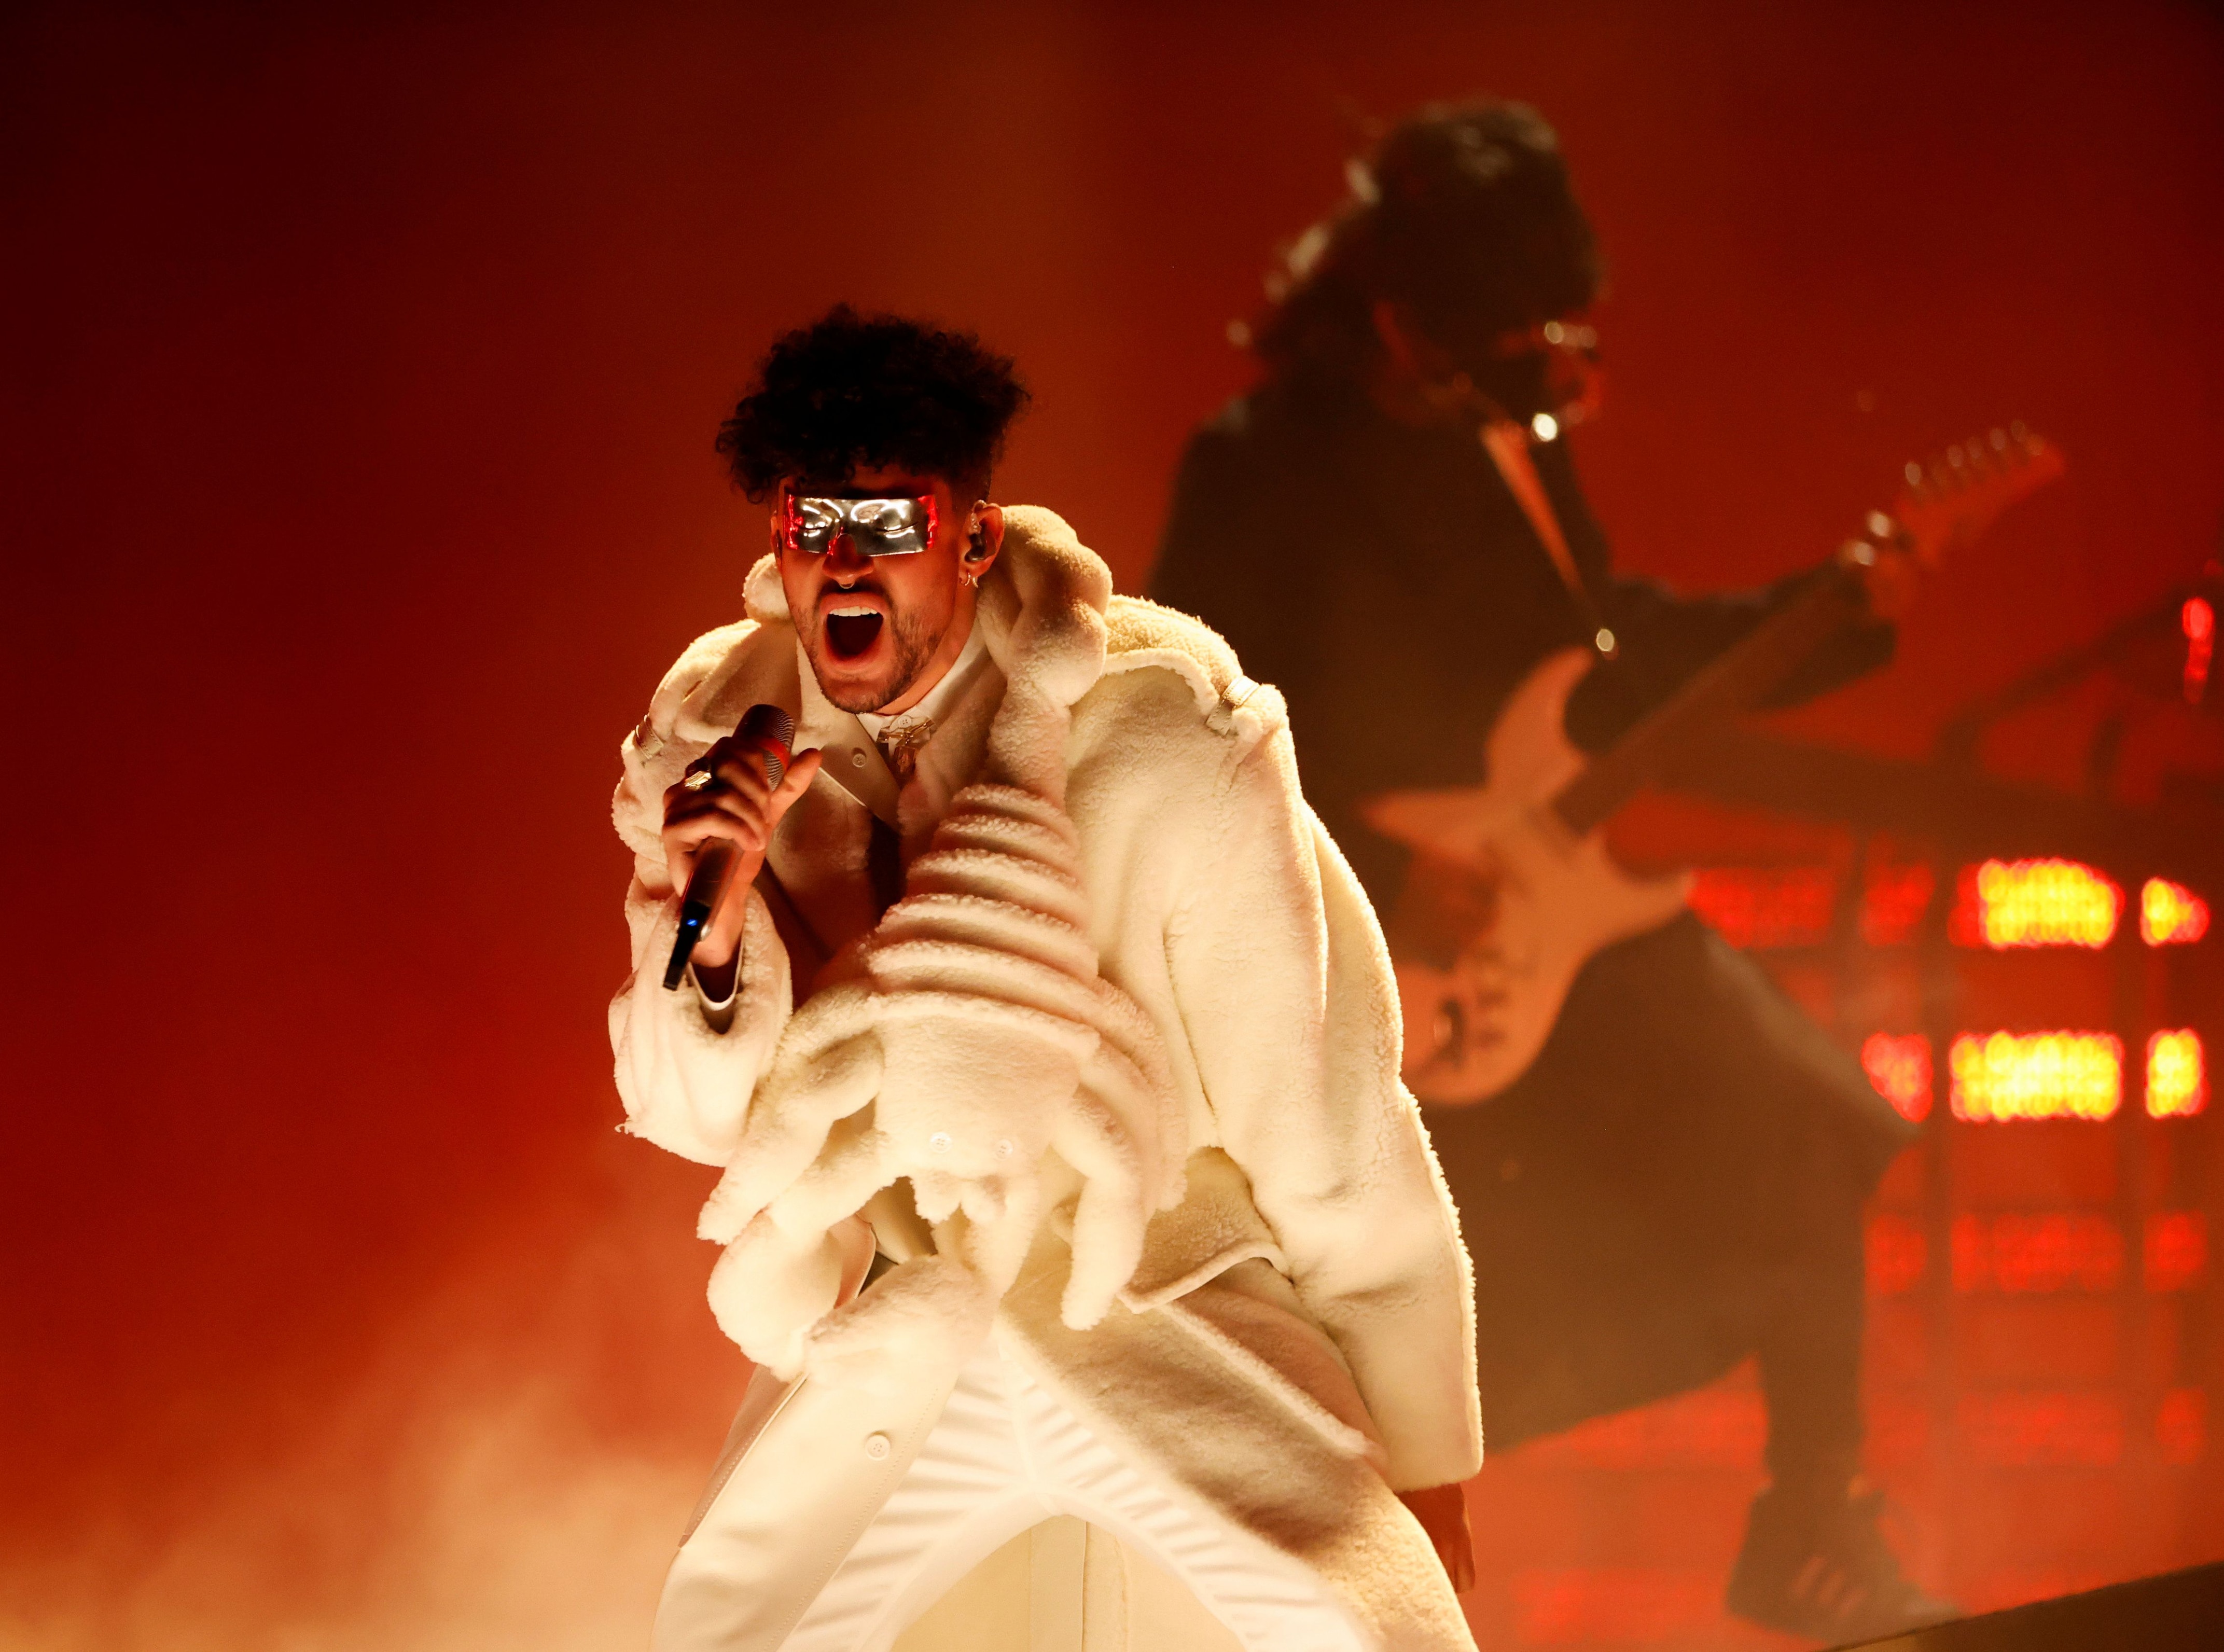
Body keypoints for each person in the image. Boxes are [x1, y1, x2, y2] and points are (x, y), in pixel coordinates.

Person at [1149, 103, 1951, 1644]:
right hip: (1376, 949)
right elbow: (1180, 727)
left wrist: (1838, 608)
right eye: (1505, 332)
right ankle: (1324, 1547)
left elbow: (1611, 650)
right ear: (1397, 320)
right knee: (1455, 1307)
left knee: (1809, 1139)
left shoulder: (1511, 442)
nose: (1542, 360)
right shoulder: (1261, 470)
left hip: (1560, 914)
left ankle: (1812, 1525)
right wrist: (1380, 863)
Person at [609, 307, 1483, 1651]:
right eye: (809, 522)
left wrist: (1425, 1454)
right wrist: (703, 904)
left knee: (1367, 1636)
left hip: (1159, 1301)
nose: (845, 562)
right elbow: (707, 1123)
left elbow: (1326, 1121)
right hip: (914, 1324)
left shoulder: (1168, 734)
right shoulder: (714, 745)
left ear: (972, 532)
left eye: (889, 523)